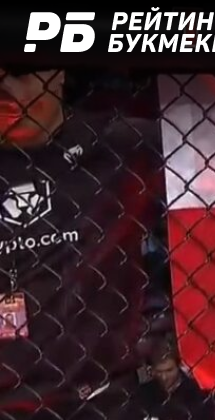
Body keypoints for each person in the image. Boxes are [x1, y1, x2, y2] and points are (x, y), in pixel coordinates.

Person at [0, 68, 163, 419]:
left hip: (103, 396)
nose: (6, 91)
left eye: (18, 73)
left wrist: (165, 329)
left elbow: (198, 227)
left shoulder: (122, 145)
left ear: (57, 72)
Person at [137, 337, 215, 420]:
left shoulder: (198, 393)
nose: (164, 377)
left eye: (169, 370)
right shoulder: (143, 393)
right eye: (159, 372)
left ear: (179, 366)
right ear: (151, 370)